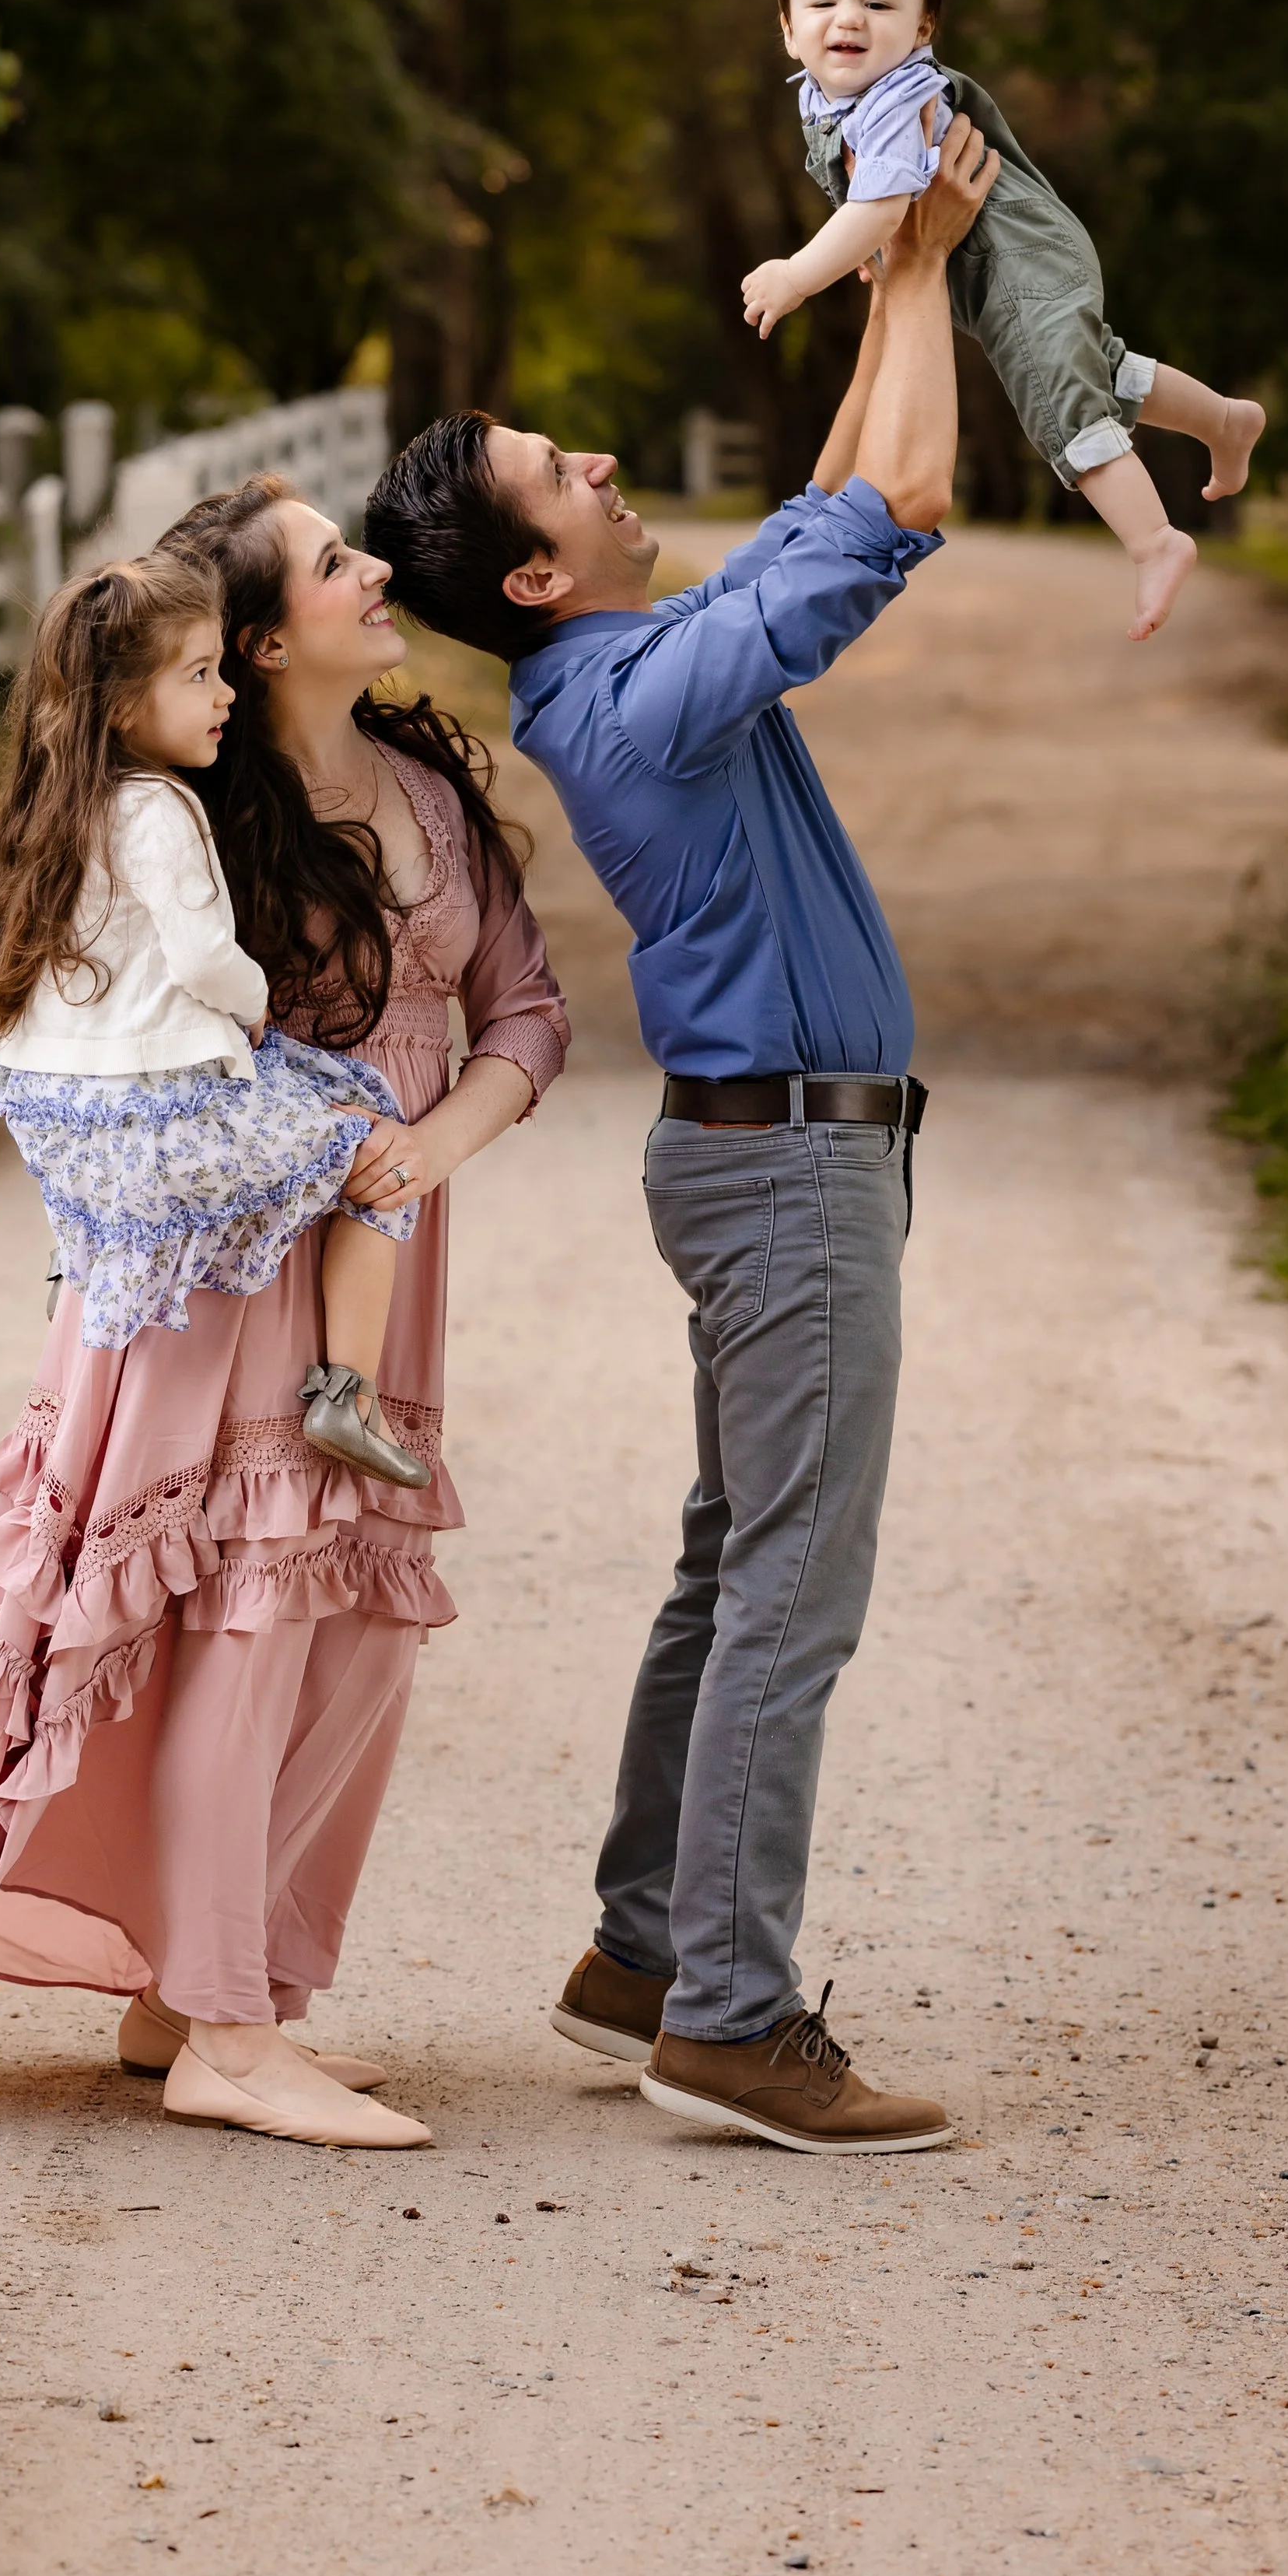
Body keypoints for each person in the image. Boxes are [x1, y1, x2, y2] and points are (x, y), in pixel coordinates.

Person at [362, 115, 997, 2157]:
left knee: (733, 1565)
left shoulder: (629, 669)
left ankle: (645, 1950)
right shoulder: (635, 700)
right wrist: (917, 264)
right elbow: (902, 499)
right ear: (533, 575)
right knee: (788, 1581)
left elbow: (835, 501)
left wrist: (890, 267)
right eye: (561, 468)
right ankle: (727, 2014)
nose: (603, 457)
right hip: (786, 1166)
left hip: (767, 1152)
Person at [0, 475, 567, 2152]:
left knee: (346, 1631)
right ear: (261, 641)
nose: (376, 568)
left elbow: (528, 1008)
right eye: (335, 562)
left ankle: (195, 1989)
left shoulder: (431, 789)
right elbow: (98, 1006)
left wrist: (430, 1143)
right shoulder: (194, 799)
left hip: (379, 1224)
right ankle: (228, 2031)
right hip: (229, 1258)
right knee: (240, 1615)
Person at [0, 548, 426, 1488]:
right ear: (123, 705)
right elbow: (206, 957)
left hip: (52, 1118)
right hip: (161, 1109)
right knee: (378, 1147)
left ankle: (82, 1254)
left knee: (293, 1091)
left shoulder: (33, 813)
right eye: (200, 674)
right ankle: (349, 1393)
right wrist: (253, 1007)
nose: (226, 696)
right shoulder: (160, 806)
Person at [740, 0, 1262, 643]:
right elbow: (876, 204)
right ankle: (1225, 419)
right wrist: (872, 248)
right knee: (1097, 367)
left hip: (1018, 261)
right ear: (788, 30)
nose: (848, 18)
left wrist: (797, 272)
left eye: (878, 4)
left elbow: (879, 207)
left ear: (922, 27)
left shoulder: (896, 100)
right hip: (996, 262)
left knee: (1057, 398)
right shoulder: (826, 95)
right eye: (823, 2)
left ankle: (1154, 541)